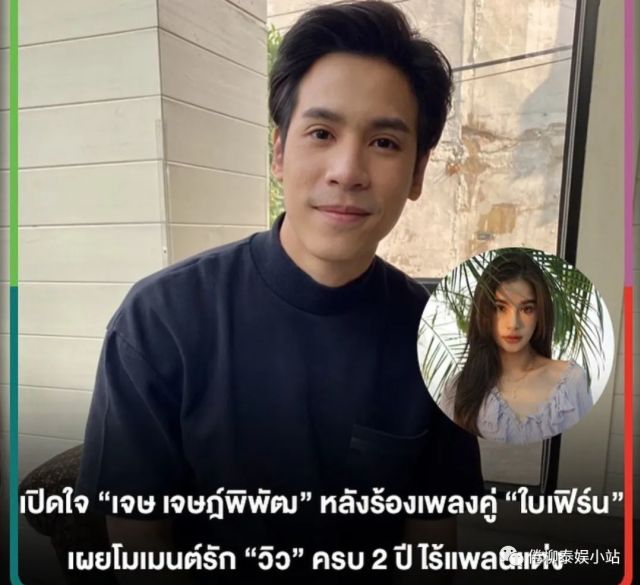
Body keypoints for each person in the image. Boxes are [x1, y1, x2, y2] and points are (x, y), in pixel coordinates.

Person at [77, 2, 484, 583]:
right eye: (321, 133)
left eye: (384, 143)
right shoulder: (159, 321)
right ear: (278, 152)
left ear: (418, 173)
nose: (347, 170)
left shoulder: (440, 341)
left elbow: (432, 540)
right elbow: (139, 542)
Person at [439, 250, 592, 445]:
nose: (513, 324)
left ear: (540, 314)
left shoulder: (571, 382)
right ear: (484, 311)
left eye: (527, 309)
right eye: (500, 307)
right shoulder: (458, 390)